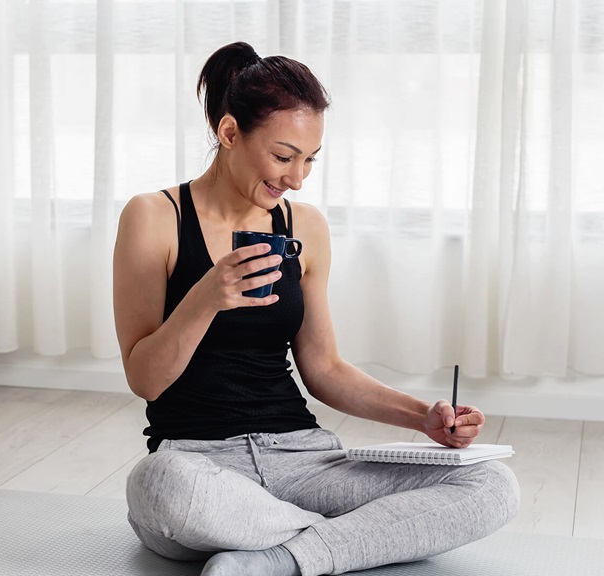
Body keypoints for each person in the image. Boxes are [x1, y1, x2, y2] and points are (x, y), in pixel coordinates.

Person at [112, 41, 519, 576]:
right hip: (198, 464)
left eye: (309, 159)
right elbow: (146, 379)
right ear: (230, 133)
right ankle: (352, 540)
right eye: (283, 156)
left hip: (304, 459)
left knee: (491, 485)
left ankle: (282, 557)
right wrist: (207, 297)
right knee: (156, 486)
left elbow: (324, 370)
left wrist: (424, 418)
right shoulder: (154, 217)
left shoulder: (305, 227)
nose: (297, 178)